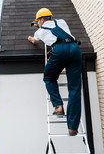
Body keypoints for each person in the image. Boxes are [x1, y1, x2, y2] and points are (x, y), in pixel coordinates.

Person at [28, 8, 82, 136]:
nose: (38, 23)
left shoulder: (40, 31)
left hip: (59, 50)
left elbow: (35, 41)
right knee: (74, 89)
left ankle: (58, 106)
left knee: (49, 78)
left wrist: (30, 37)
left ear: (41, 20)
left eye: (38, 21)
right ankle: (72, 128)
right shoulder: (62, 22)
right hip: (74, 48)